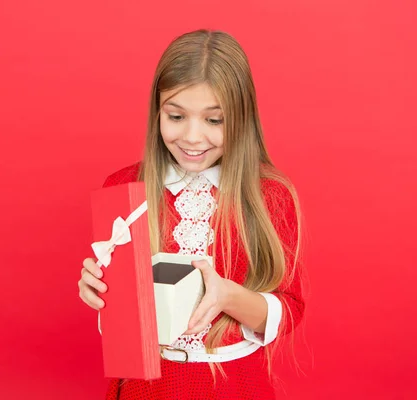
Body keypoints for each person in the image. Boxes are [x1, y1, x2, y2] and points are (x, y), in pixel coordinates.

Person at [78, 29, 305, 400]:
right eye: (177, 116)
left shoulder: (271, 195)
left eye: (214, 120)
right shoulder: (122, 187)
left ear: (241, 119)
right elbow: (121, 314)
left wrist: (228, 297)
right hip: (145, 387)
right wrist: (99, 290)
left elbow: (289, 310)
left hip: (235, 386)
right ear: (158, 112)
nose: (193, 137)